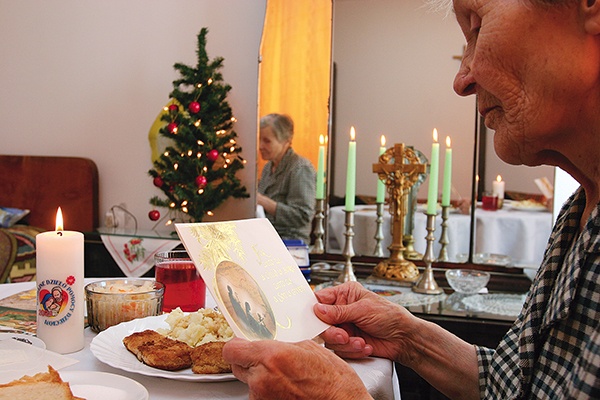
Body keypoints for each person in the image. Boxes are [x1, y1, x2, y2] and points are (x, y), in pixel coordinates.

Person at [223, 0, 600, 398]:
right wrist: (408, 336)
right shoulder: (578, 211)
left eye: (475, 28)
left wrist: (342, 395)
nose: (462, 79)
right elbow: (512, 386)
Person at [257, 113, 316, 243]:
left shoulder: (300, 168)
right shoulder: (268, 167)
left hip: (291, 244)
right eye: (259, 139)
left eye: (267, 141)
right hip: (267, 239)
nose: (260, 146)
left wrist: (263, 202)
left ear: (286, 141)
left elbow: (302, 216)